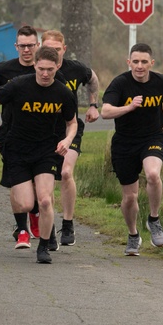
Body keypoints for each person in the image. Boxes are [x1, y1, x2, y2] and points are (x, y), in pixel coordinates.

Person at [0, 46, 77, 264]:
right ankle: (24, 226)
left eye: (50, 70)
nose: (45, 74)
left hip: (46, 151)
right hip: (17, 150)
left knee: (45, 200)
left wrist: (67, 140)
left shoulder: (63, 93)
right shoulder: (18, 85)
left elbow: (71, 122)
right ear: (34, 65)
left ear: (57, 67)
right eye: (41, 69)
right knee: (26, 204)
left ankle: (43, 246)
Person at [101, 43, 163, 256]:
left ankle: (153, 219)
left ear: (151, 63)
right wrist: (128, 107)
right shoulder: (120, 83)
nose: (139, 66)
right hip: (125, 143)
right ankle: (133, 235)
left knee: (153, 174)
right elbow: (105, 112)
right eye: (135, 61)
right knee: (130, 198)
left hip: (153, 137)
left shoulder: (161, 81)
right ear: (129, 62)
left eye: (144, 62)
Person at [0, 24, 42, 246]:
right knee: (18, 181)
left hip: (41, 137)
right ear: (16, 46)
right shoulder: (4, 70)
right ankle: (22, 230)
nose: (26, 50)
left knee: (37, 184)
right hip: (11, 134)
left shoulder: (44, 70)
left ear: (37, 45)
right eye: (22, 46)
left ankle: (35, 214)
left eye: (31, 45)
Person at [39, 30, 100, 247]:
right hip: (44, 130)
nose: (53, 54)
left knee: (65, 172)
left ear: (64, 49)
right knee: (47, 179)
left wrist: (93, 104)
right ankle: (49, 230)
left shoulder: (76, 69)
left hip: (70, 127)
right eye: (48, 49)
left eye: (57, 50)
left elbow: (93, 79)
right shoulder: (39, 70)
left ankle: (67, 223)